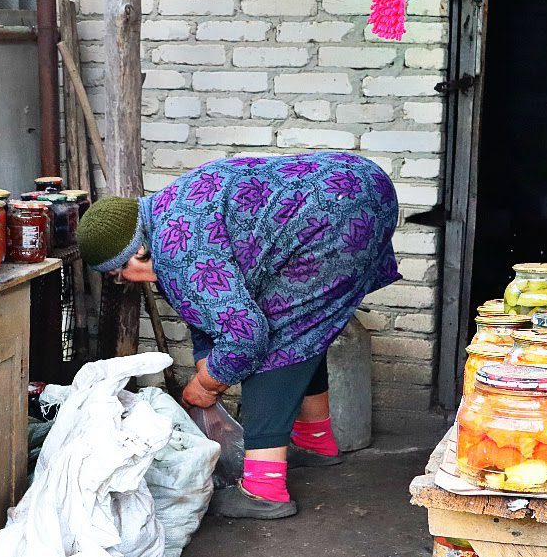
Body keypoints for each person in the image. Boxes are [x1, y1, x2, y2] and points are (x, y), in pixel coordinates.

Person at [77, 151, 401, 519]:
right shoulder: (166, 211)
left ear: (138, 253)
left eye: (121, 275)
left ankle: (265, 491)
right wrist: (207, 359)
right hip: (362, 184)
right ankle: (315, 443)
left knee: (276, 339)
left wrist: (207, 384)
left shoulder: (178, 253)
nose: (127, 284)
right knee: (306, 326)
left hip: (337, 217)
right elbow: (207, 307)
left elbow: (246, 337)